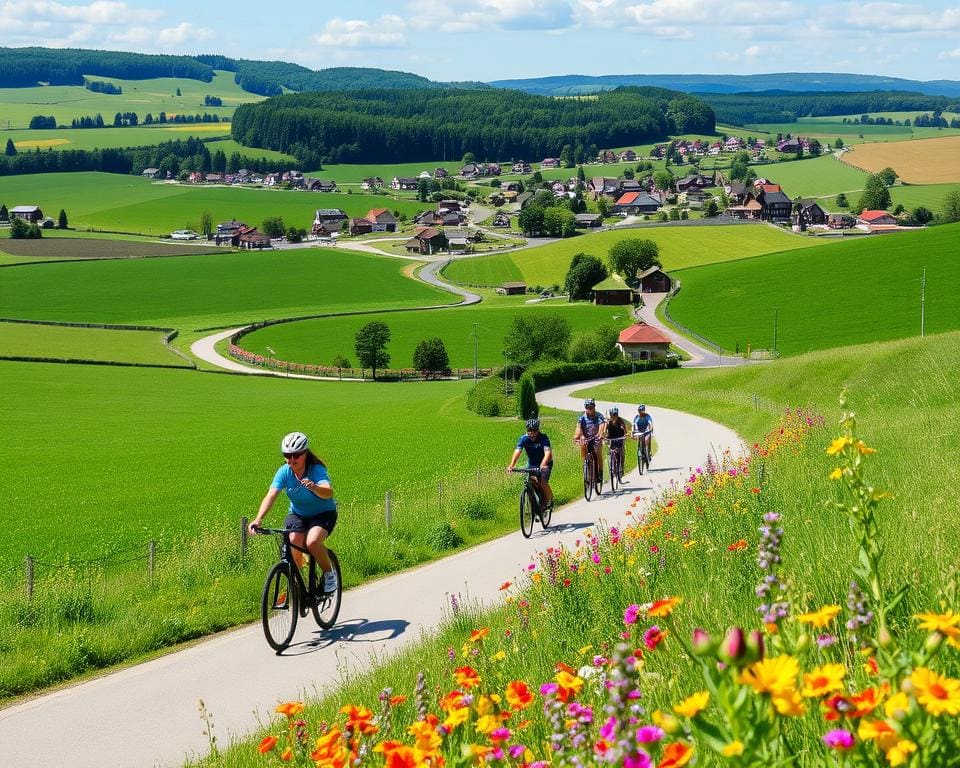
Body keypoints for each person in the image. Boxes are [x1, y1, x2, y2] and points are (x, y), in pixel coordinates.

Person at [249, 432, 338, 594]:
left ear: (305, 453)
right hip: (298, 514)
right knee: (293, 541)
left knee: (312, 542)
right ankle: (299, 585)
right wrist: (258, 519)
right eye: (287, 455)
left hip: (323, 514)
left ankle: (329, 574)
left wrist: (314, 487)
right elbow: (271, 495)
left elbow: (328, 492)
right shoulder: (284, 472)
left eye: (296, 455)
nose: (291, 460)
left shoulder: (316, 470)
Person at [507, 418, 554, 506]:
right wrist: (511, 465)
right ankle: (535, 504)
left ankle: (549, 499)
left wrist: (543, 464)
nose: (531, 433)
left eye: (534, 431)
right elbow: (518, 451)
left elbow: (547, 453)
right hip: (532, 464)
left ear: (538, 430)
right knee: (530, 481)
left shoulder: (543, 438)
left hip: (545, 463)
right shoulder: (524, 439)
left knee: (542, 481)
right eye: (529, 430)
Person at [574, 398, 606, 479]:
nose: (590, 409)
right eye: (588, 408)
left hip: (596, 438)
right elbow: (578, 427)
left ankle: (600, 473)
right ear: (586, 408)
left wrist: (600, 434)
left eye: (592, 407)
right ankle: (586, 464)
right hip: (586, 438)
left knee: (598, 453)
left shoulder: (599, 416)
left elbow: (601, 426)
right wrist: (577, 436)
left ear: (594, 407)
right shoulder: (582, 418)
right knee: (583, 447)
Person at [605, 406, 627, 476]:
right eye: (613, 415)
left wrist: (625, 435)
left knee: (622, 451)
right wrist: (604, 437)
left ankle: (621, 468)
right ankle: (612, 467)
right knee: (611, 451)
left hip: (620, 437)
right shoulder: (608, 422)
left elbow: (625, 430)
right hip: (611, 438)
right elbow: (604, 431)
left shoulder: (620, 421)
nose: (614, 416)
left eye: (616, 415)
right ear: (610, 415)